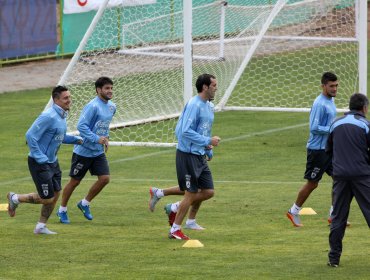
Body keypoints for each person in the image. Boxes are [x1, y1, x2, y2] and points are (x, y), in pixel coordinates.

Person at [6, 85, 83, 234]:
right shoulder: (48, 116)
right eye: (66, 98)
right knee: (47, 198)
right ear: (56, 100)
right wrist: (39, 156)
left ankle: (41, 227)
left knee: (56, 193)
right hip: (39, 162)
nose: (69, 101)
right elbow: (30, 135)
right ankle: (15, 198)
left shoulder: (61, 116)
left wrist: (77, 140)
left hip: (53, 162)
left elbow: (59, 137)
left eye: (69, 97)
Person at [56, 76, 116, 224]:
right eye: (107, 88)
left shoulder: (112, 107)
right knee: (75, 182)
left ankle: (84, 203)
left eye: (111, 88)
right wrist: (97, 138)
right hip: (83, 151)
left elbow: (104, 125)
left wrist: (105, 138)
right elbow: (81, 126)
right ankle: (62, 209)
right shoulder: (92, 106)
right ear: (98, 90)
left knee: (105, 179)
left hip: (98, 151)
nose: (110, 91)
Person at [168, 73, 221, 240]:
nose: (216, 88)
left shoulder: (209, 106)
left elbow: (204, 130)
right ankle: (175, 229)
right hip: (187, 154)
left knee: (208, 191)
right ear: (204, 87)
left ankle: (175, 207)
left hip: (199, 154)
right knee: (190, 193)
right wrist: (207, 140)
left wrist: (207, 148)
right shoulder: (194, 105)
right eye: (213, 85)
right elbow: (184, 131)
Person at [286, 72, 339, 227]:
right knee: (312, 183)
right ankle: (293, 211)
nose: (334, 89)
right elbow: (314, 128)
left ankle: (334, 215)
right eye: (331, 86)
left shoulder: (331, 101)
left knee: (340, 179)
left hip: (328, 149)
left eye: (336, 85)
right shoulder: (319, 104)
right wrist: (332, 129)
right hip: (317, 150)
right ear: (323, 86)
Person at [326, 93, 370, 267]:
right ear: (364, 108)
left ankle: (333, 259)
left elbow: (328, 151)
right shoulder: (365, 125)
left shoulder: (335, 124)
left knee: (338, 218)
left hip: (340, 176)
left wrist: (335, 171)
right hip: (362, 176)